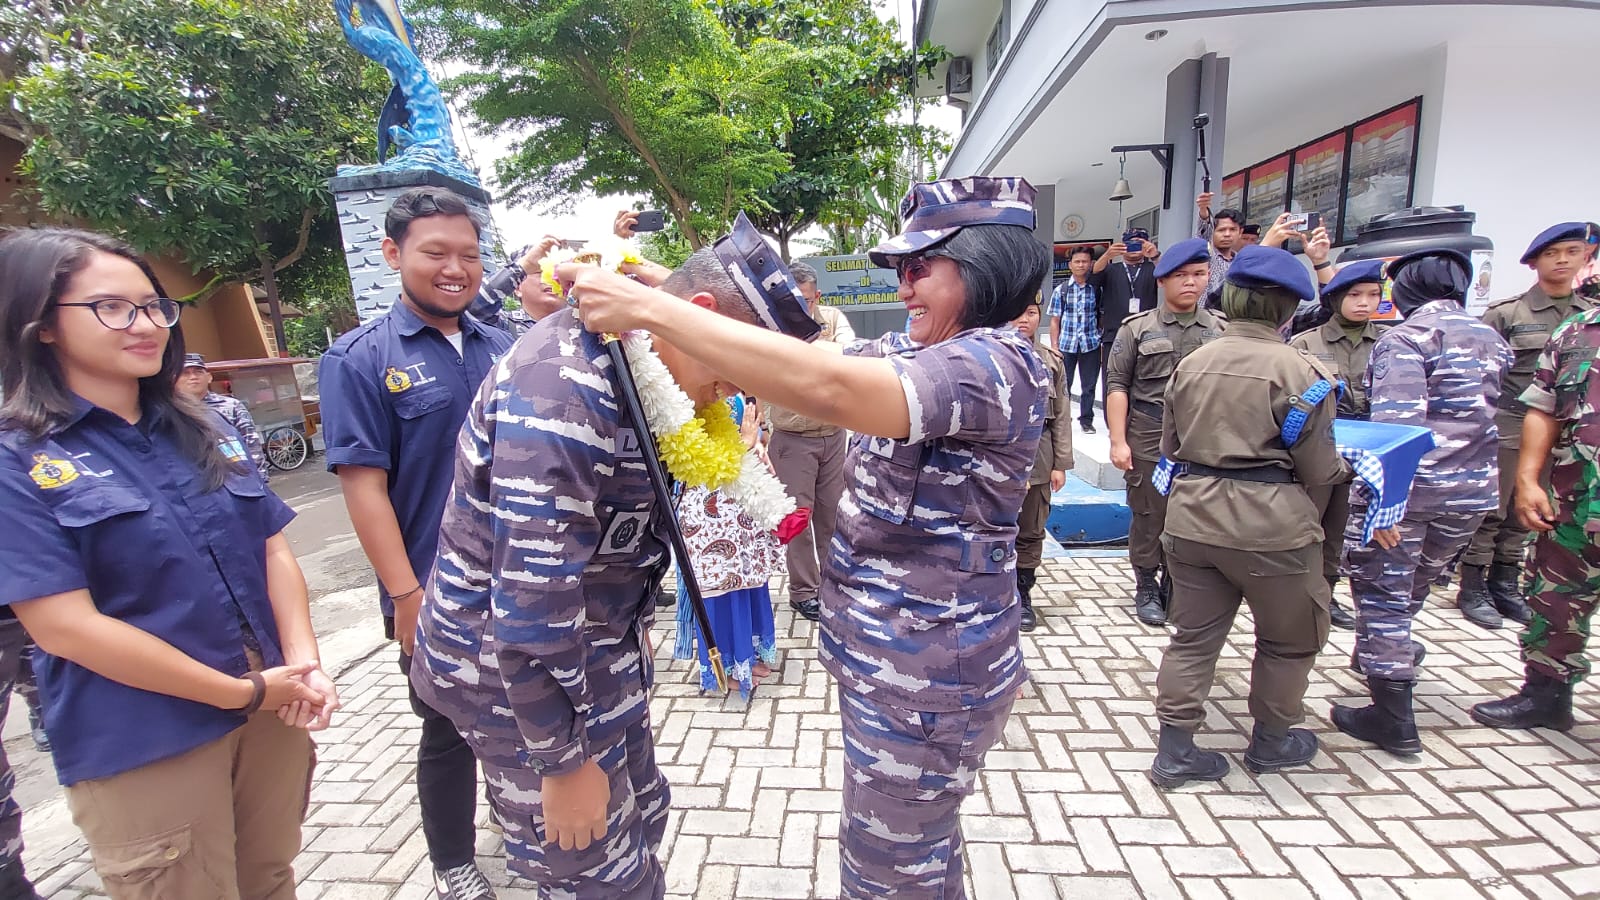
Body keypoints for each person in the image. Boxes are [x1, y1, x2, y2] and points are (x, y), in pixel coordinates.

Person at [564, 178, 1050, 900]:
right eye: (899, 271)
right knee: (917, 856)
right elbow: (805, 351)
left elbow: (826, 386)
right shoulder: (930, 351)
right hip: (896, 670)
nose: (905, 285)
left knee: (887, 874)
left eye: (921, 267)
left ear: (983, 268)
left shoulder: (992, 366)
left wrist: (649, 310)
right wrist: (670, 285)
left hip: (929, 681)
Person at [411, 214, 821, 897]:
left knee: (643, 814)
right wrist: (562, 761)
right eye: (741, 363)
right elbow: (531, 602)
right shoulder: (564, 386)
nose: (742, 389)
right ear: (698, 318)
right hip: (514, 681)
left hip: (594, 650)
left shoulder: (649, 358)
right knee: (591, 873)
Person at [0, 227, 336, 900]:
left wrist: (303, 663)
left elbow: (271, 545)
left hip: (272, 706)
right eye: (112, 307)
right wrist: (241, 692)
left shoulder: (201, 427)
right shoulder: (19, 458)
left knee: (269, 879)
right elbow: (65, 626)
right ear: (40, 326)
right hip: (147, 737)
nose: (146, 322)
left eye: (153, 304)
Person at [318, 186, 514, 900]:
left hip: (523, 578)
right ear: (394, 254)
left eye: (469, 254)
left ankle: (517, 822)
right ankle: (452, 862)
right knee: (448, 730)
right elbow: (363, 485)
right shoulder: (360, 359)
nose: (455, 268)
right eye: (436, 252)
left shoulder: (506, 344)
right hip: (432, 588)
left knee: (525, 713)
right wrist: (406, 593)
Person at [1148, 244, 1355, 787]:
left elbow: (1171, 446)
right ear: (1288, 309)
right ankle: (1272, 741)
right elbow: (1317, 467)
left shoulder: (1191, 363)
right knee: (1288, 639)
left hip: (1191, 519)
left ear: (1231, 298)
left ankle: (1174, 752)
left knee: (1192, 639)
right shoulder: (1303, 371)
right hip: (1273, 528)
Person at [1332, 248, 1511, 756]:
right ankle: (1385, 656)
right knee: (1416, 585)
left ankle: (1393, 718)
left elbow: (1398, 432)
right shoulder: (1490, 338)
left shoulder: (1407, 339)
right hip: (1472, 493)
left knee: (1384, 593)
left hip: (1414, 491)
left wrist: (1387, 506)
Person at [1457, 223, 1600, 630]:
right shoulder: (1507, 313)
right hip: (1508, 421)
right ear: (1534, 261)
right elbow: (1478, 372)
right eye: (1552, 253)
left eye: (1572, 252)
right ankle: (1472, 584)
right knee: (1494, 507)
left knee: (1534, 511)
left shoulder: (1586, 317)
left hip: (1566, 430)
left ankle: (1506, 582)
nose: (1561, 261)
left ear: (1586, 258)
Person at [1471, 304, 1600, 730]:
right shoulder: (1578, 330)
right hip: (1575, 499)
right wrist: (1527, 479)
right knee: (1556, 600)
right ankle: (1546, 696)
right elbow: (1543, 408)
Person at [1105, 237, 1225, 626]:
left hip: (1203, 436)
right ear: (1161, 280)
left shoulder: (1221, 331)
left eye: (1198, 274)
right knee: (1148, 512)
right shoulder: (1137, 330)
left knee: (1193, 513)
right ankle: (1146, 585)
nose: (1190, 282)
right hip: (1149, 432)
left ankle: (1177, 582)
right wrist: (1117, 440)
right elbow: (1118, 385)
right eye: (1180, 276)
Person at [1290, 259, 1388, 631]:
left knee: (1339, 527)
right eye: (1355, 295)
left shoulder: (1387, 342)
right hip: (1319, 447)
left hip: (1366, 446)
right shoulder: (1306, 343)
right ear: (1334, 299)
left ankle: (1326, 594)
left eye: (1373, 295)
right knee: (1307, 522)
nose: (1364, 303)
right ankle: (1298, 592)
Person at [673, 394, 785, 698]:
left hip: (739, 513)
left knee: (747, 586)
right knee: (721, 594)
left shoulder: (731, 390)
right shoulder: (686, 398)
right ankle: (725, 669)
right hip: (709, 517)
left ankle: (746, 658)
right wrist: (745, 444)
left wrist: (758, 443)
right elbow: (697, 460)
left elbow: (757, 430)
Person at [765, 260, 857, 623]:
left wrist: (813, 342)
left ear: (817, 296)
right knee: (797, 521)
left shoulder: (833, 319)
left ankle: (834, 585)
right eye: (792, 300)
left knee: (833, 516)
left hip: (833, 437)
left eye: (806, 300)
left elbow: (849, 353)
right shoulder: (773, 326)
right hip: (792, 439)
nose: (800, 308)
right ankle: (804, 591)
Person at [1014, 295, 1074, 631]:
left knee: (1032, 530)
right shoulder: (991, 355)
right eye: (1019, 312)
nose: (1025, 319)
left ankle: (1023, 594)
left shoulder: (1051, 361)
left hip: (1039, 459)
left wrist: (1060, 463)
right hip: (999, 464)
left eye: (1032, 312)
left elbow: (1061, 415)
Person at [175, 353, 270, 479]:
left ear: (209, 377)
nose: (193, 377)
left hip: (236, 478)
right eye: (185, 373)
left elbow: (251, 443)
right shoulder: (170, 412)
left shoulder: (231, 406)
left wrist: (260, 479)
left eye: (198, 372)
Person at [1048, 246, 1103, 431]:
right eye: (1077, 262)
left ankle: (1086, 421)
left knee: (1089, 386)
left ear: (1091, 264)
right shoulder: (1061, 290)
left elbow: (1101, 316)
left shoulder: (1096, 289)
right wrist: (1054, 347)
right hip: (1067, 345)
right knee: (1064, 386)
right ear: (1070, 265)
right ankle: (1064, 420)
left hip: (1091, 344)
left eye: (1084, 261)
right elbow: (1055, 320)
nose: (1081, 265)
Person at [1194, 193, 1244, 302]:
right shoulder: (1207, 256)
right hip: (1206, 316)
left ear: (1240, 232)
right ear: (1213, 232)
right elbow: (1204, 234)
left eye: (1232, 229)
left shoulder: (1241, 261)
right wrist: (1204, 211)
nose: (1227, 234)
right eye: (1221, 230)